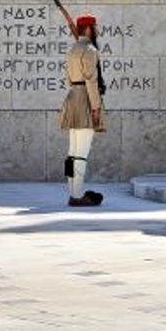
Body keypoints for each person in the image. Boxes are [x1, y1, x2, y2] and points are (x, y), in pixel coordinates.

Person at [59, 13, 106, 207]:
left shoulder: (73, 49)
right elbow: (91, 80)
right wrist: (95, 107)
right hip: (85, 98)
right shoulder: (90, 50)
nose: (96, 30)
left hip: (72, 96)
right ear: (88, 29)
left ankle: (72, 192)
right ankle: (77, 195)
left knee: (72, 151)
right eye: (94, 27)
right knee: (81, 153)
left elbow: (69, 77)